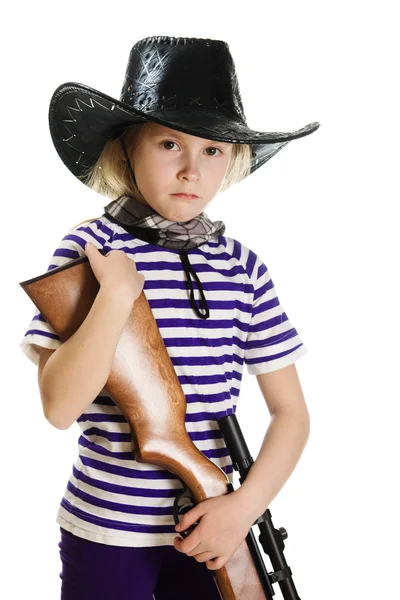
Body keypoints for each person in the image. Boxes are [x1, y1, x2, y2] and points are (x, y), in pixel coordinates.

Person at [19, 35, 320, 600]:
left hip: (215, 524)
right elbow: (60, 407)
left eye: (212, 150)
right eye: (168, 144)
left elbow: (291, 415)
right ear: (127, 150)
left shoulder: (241, 266)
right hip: (105, 528)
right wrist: (113, 299)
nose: (191, 170)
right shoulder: (89, 251)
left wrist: (242, 510)